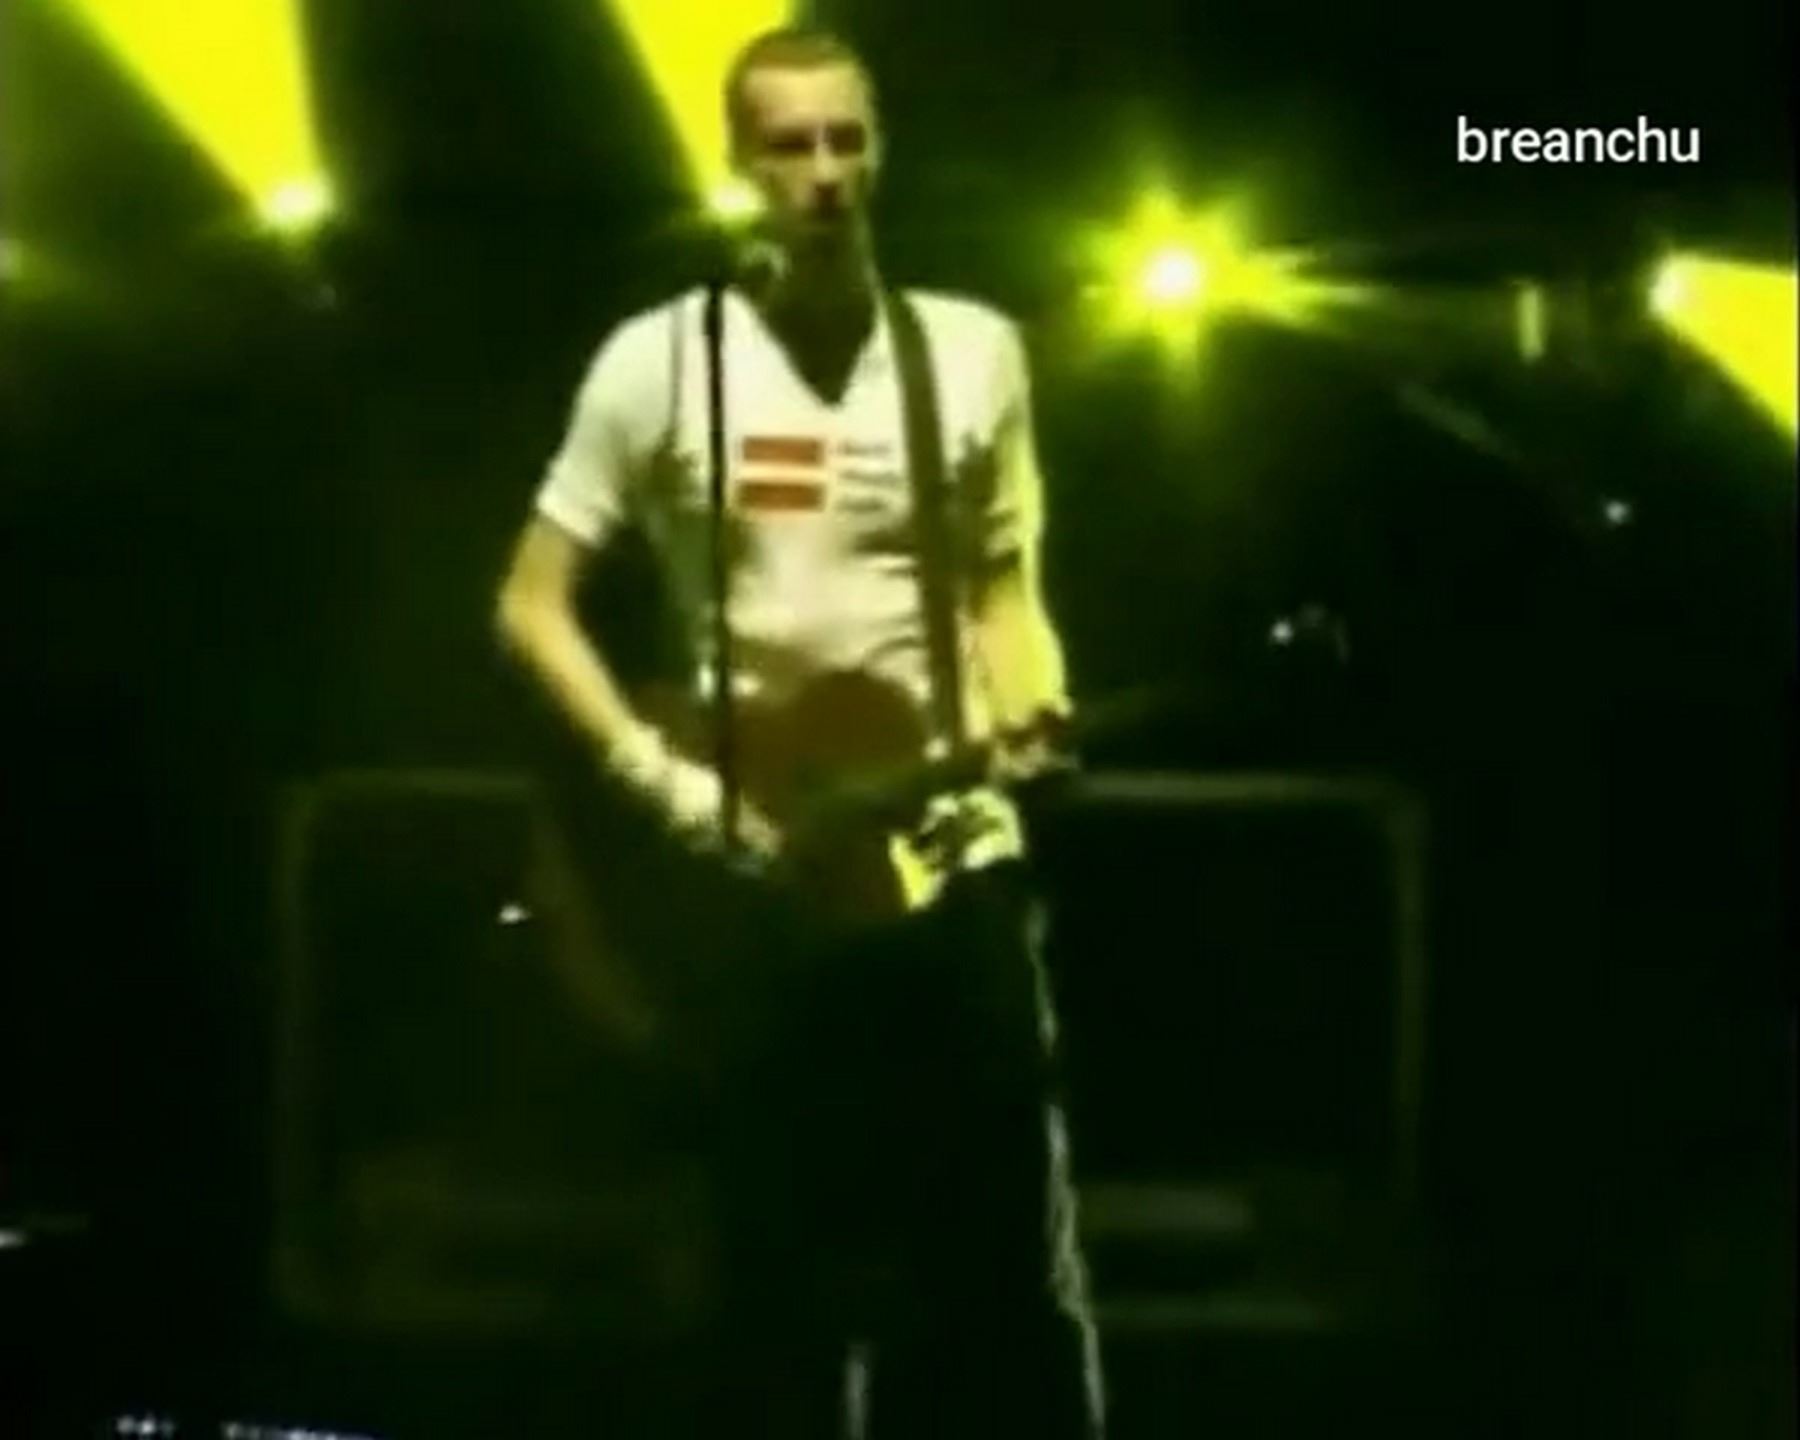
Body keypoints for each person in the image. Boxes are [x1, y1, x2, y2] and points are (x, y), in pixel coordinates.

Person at [495, 25, 1104, 1438]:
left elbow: (1003, 589)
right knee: (772, 1275)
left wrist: (1033, 702)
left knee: (1003, 1268)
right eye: (791, 145)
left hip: (951, 857)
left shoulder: (972, 352)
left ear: (881, 151)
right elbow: (530, 604)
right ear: (740, 165)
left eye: (848, 139)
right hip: (765, 876)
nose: (825, 173)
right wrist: (661, 783)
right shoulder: (662, 361)